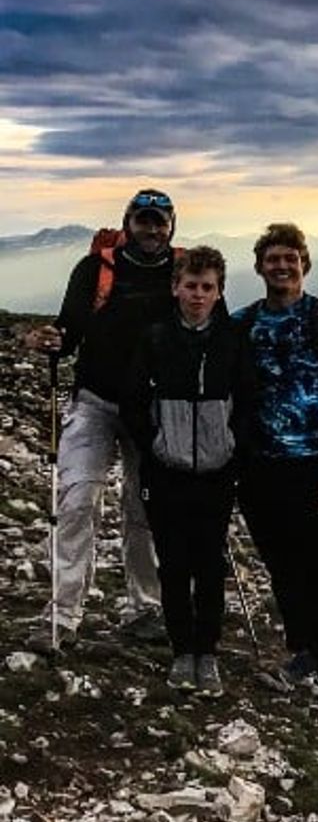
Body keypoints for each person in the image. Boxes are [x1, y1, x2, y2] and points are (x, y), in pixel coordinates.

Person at [22, 189, 178, 650]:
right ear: (127, 222)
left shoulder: (181, 272)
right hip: (95, 400)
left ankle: (145, 608)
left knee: (144, 508)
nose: (151, 229)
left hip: (150, 408)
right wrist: (54, 338)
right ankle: (64, 614)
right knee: (76, 500)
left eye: (159, 221)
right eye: (143, 220)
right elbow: (70, 328)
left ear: (172, 226)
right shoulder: (96, 270)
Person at [235, 222, 318, 702]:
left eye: (290, 258)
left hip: (315, 465)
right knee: (282, 565)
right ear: (260, 267)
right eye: (273, 259)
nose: (282, 266)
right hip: (258, 466)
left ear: (305, 264)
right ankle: (303, 651)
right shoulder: (244, 324)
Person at [123, 246, 247, 696]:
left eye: (207, 287)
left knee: (210, 563)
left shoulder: (233, 340)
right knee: (174, 564)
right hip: (169, 470)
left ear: (219, 292)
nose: (198, 295)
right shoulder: (155, 339)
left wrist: (233, 448)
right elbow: (133, 400)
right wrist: (154, 446)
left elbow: (247, 402)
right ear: (175, 287)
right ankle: (182, 653)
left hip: (216, 469)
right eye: (191, 286)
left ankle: (207, 652)